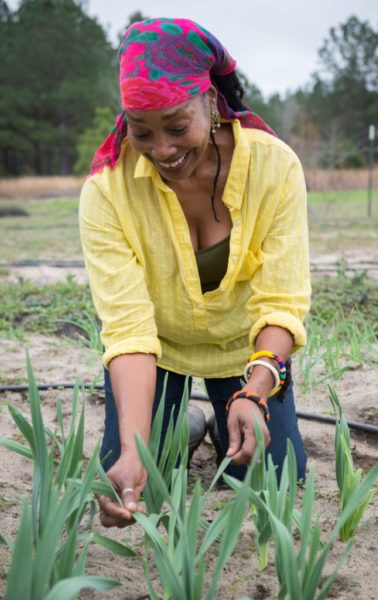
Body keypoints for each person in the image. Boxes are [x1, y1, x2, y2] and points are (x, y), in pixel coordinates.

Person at [79, 18, 311, 529]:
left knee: (276, 476)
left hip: (245, 352)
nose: (162, 149)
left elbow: (281, 302)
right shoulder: (107, 193)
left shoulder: (274, 168)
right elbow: (129, 330)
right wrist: (135, 447)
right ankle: (180, 425)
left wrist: (254, 391)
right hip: (158, 354)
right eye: (142, 131)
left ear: (209, 102)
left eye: (176, 127)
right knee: (137, 473)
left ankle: (228, 403)